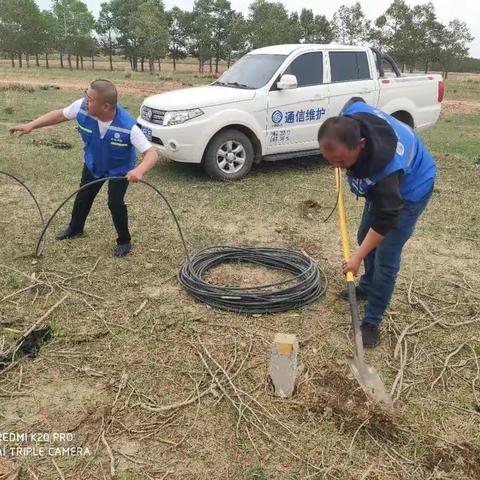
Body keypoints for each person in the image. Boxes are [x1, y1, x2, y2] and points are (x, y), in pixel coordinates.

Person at [318, 101, 436, 348]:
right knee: (365, 236)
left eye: (340, 161)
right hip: (382, 191)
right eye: (330, 160)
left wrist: (357, 258)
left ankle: (372, 320)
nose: (335, 166)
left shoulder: (385, 171)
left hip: (410, 190)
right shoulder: (350, 118)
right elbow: (355, 100)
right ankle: (367, 286)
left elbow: (386, 218)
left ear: (360, 145)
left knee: (385, 257)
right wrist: (339, 160)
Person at [9, 79, 159, 257]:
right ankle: (75, 228)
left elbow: (152, 153)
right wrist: (31, 125)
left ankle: (124, 240)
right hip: (93, 163)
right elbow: (59, 115)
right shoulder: (80, 108)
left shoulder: (128, 127)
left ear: (105, 106)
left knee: (115, 203)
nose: (85, 101)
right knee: (83, 196)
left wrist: (139, 170)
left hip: (119, 170)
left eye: (90, 99)